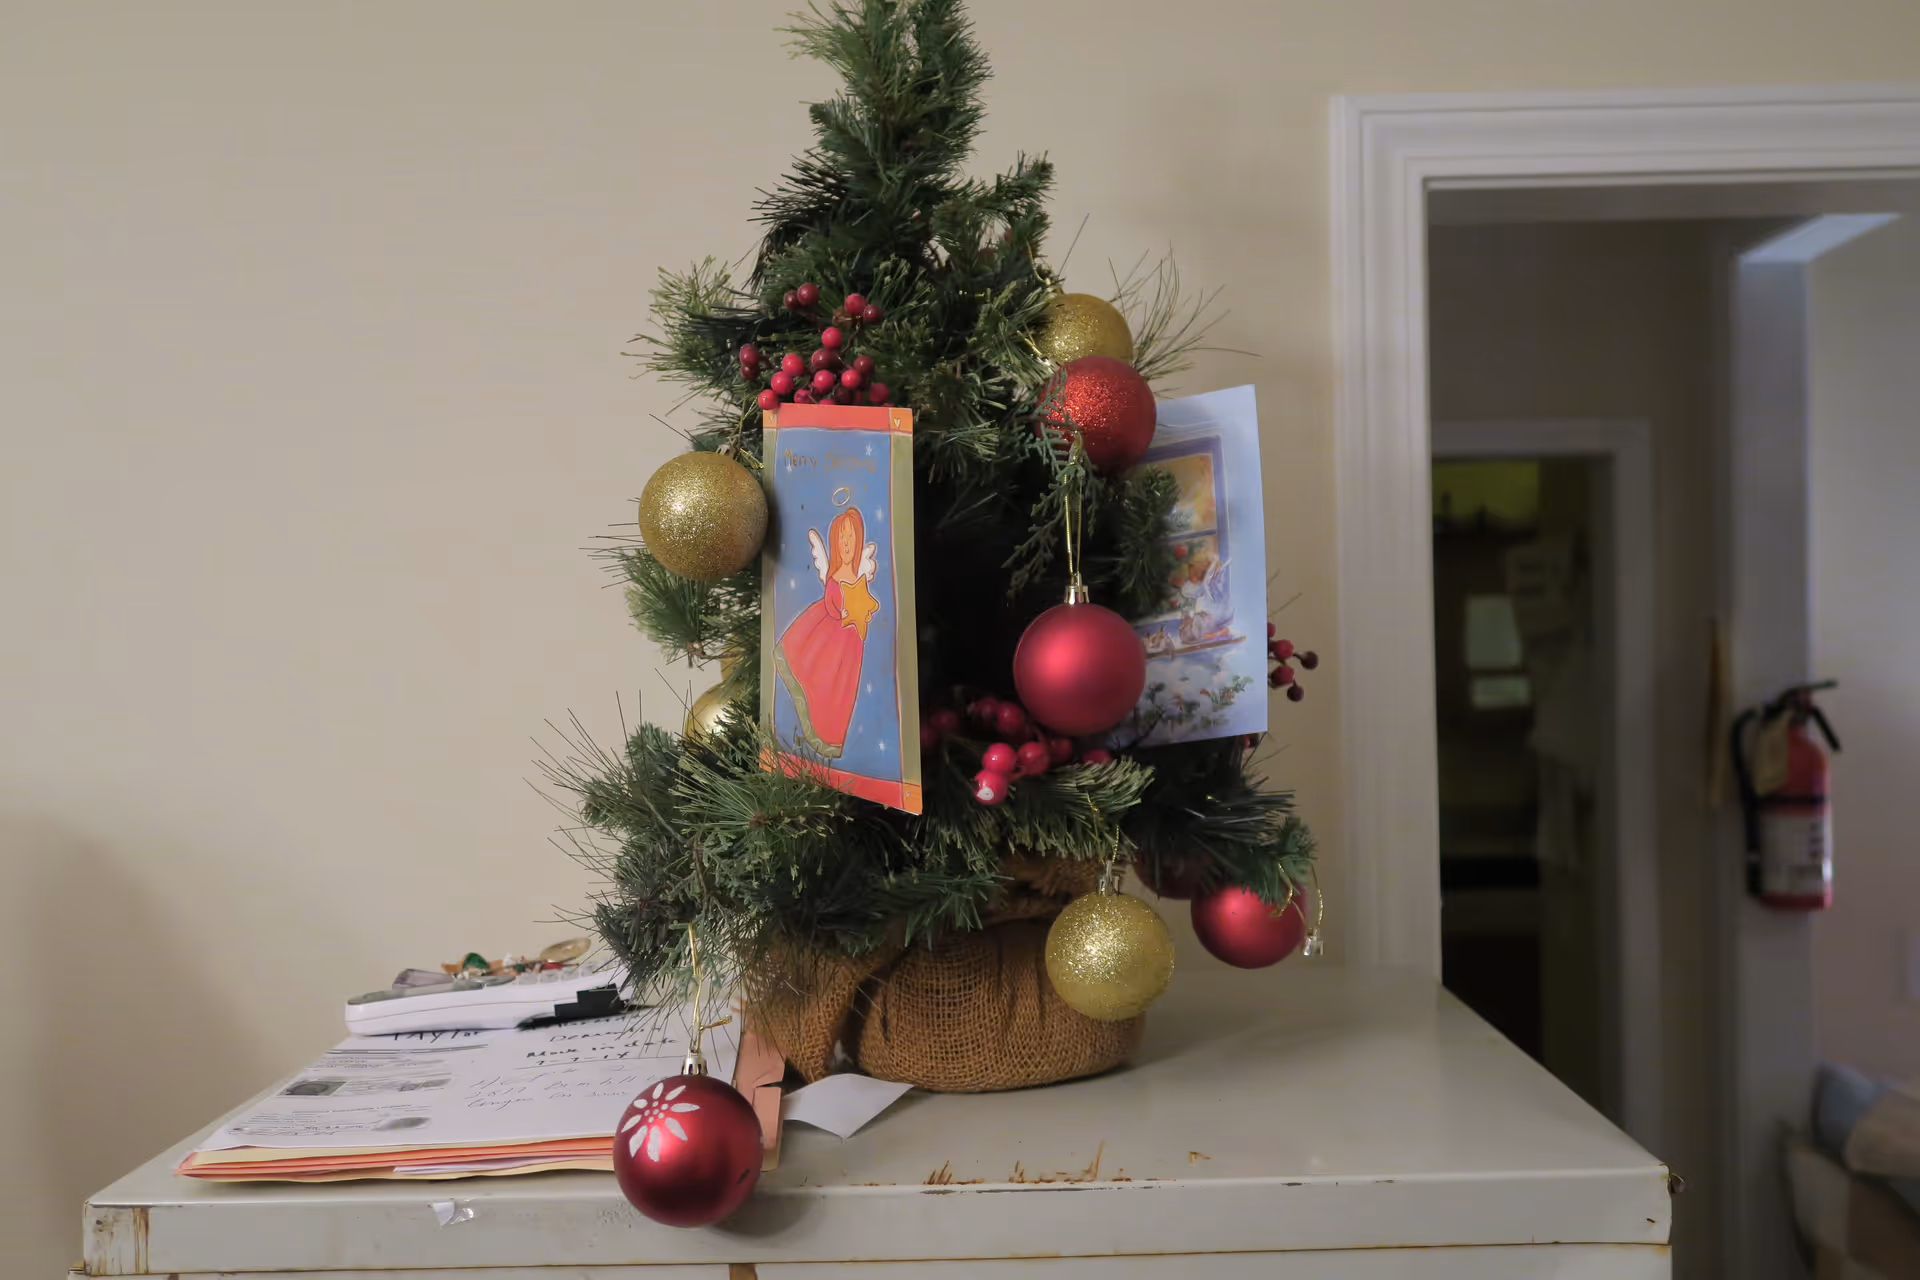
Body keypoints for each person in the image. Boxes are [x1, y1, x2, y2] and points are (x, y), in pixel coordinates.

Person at [774, 506, 878, 758]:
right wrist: (843, 610)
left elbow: (864, 603)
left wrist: (860, 611)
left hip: (850, 642)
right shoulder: (835, 574)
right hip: (827, 633)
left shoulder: (857, 575)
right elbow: (833, 602)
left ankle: (830, 738)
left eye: (851, 538)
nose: (846, 544)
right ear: (834, 540)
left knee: (840, 691)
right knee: (818, 674)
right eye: (842, 538)